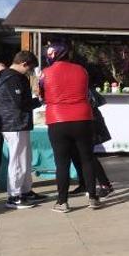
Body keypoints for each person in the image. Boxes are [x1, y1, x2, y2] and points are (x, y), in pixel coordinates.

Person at [39, 42, 99, 212]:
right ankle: (93, 197)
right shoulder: (81, 70)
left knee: (62, 162)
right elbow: (85, 90)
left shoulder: (45, 73)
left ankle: (62, 202)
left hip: (57, 119)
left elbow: (42, 95)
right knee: (87, 159)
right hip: (83, 117)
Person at [0, 51, 45, 209]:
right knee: (17, 160)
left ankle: (25, 191)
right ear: (24, 64)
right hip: (13, 124)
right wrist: (39, 101)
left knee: (25, 158)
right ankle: (14, 196)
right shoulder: (11, 78)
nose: (30, 72)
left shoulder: (10, 76)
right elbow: (19, 103)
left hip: (18, 123)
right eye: (30, 69)